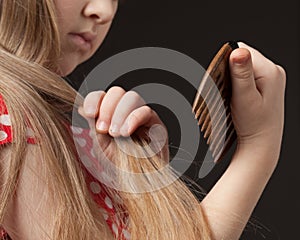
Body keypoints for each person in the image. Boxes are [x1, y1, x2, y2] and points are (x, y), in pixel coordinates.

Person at [0, 0, 286, 240]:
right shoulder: (12, 115)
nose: (104, 11)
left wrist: (138, 194)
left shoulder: (41, 123)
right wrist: (259, 146)